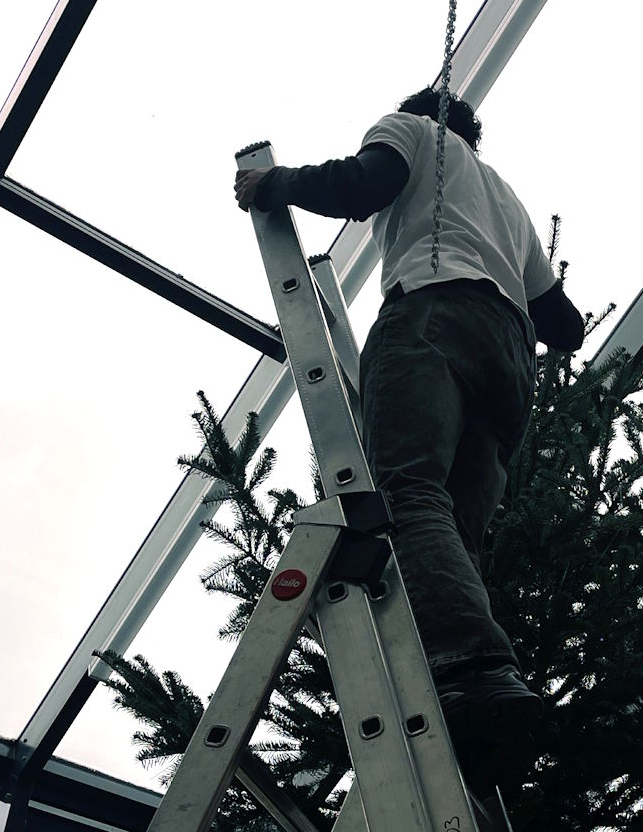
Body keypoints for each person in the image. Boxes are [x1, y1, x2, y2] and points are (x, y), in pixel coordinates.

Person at [234, 88, 583, 791]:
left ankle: (470, 665)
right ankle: (482, 698)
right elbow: (565, 327)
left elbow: (364, 184)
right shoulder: (506, 199)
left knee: (405, 488)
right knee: (457, 528)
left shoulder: (414, 130)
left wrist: (271, 185)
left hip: (432, 312)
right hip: (511, 363)